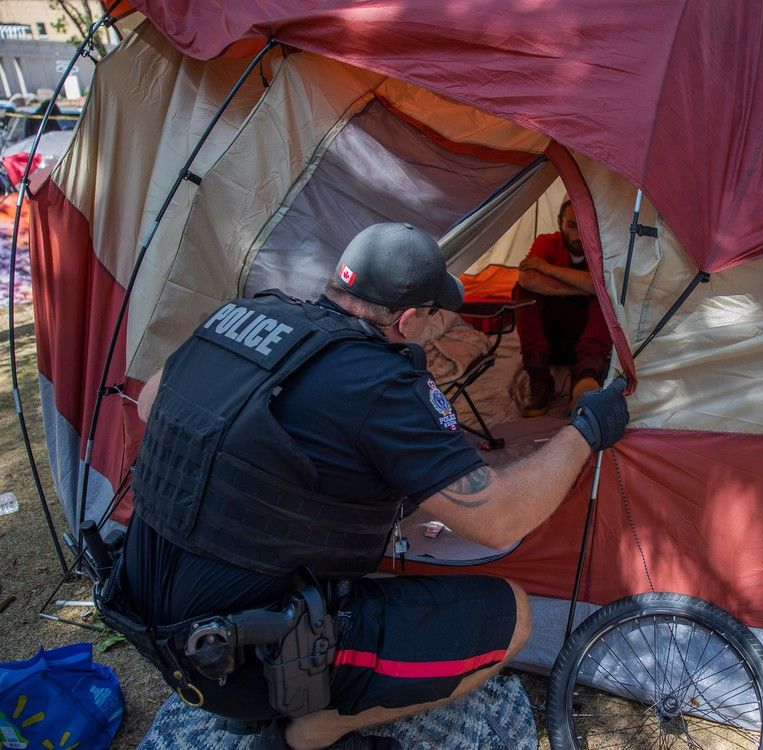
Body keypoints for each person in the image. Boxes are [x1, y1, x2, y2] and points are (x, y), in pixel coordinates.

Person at [105, 222, 629, 750]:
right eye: (435, 315)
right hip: (231, 654)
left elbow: (151, 403)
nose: (439, 325)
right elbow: (498, 519)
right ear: (407, 320)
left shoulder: (245, 316)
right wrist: (583, 432)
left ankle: (259, 695)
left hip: (144, 612)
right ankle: (306, 733)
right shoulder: (380, 382)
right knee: (512, 614)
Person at [513, 197, 612, 417]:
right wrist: (589, 286)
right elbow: (527, 279)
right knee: (522, 291)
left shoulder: (603, 249)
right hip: (551, 341)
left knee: (607, 299)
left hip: (586, 342)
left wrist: (548, 269)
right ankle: (539, 376)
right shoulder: (547, 242)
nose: (579, 235)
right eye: (572, 226)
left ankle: (585, 379)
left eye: (585, 226)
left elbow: (610, 287)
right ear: (560, 224)